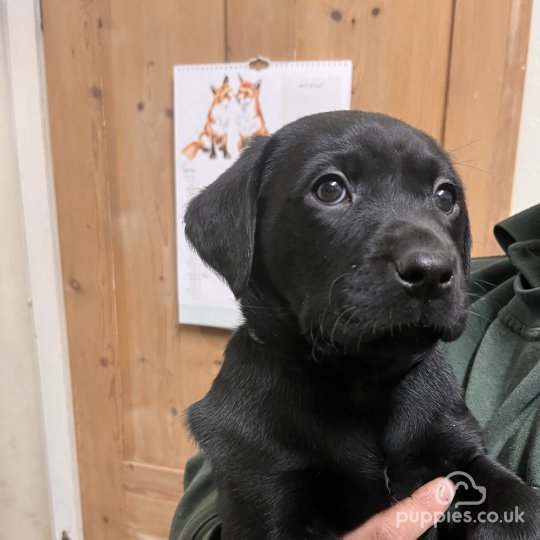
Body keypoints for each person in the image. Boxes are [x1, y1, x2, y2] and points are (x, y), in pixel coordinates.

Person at [170, 204, 540, 540]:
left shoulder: (445, 295)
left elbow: (473, 484)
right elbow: (213, 492)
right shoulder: (479, 282)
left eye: (444, 198)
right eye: (331, 190)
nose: (430, 260)